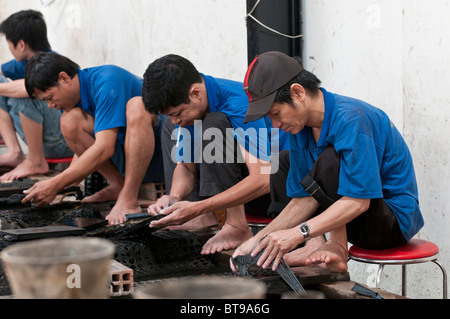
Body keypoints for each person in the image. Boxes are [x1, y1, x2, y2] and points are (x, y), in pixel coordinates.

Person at [231, 51, 424, 273]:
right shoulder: (300, 130)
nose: (275, 125)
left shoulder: (352, 119)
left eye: (276, 113)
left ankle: (337, 246)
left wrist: (297, 233)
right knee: (283, 161)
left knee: (331, 159)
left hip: (389, 224)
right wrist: (257, 242)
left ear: (298, 92)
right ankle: (318, 245)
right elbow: (302, 199)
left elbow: (359, 202)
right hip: (353, 218)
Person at [143, 54, 289, 255]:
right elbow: (186, 166)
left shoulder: (238, 104)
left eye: (176, 113)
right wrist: (173, 198)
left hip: (279, 193)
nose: (175, 121)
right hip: (241, 190)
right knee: (178, 126)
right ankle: (205, 215)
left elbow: (264, 179)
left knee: (215, 123)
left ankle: (236, 226)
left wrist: (200, 207)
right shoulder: (191, 110)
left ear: (196, 93)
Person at [22, 52, 166, 225]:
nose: (50, 106)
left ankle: (128, 197)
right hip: (128, 161)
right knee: (69, 121)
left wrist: (55, 183)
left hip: (162, 156)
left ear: (64, 78)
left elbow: (104, 147)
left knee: (137, 107)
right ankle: (117, 185)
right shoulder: (74, 103)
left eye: (50, 98)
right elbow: (85, 151)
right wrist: (61, 188)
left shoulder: (107, 81)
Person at [0, 10, 73, 181]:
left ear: (21, 44)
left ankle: (35, 160)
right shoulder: (21, 63)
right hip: (48, 140)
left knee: (24, 93)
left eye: (9, 43)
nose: (9, 49)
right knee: (4, 87)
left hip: (64, 142)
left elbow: (29, 88)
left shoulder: (52, 63)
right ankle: (14, 152)